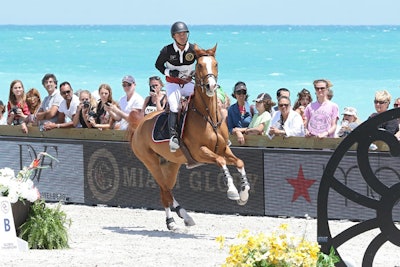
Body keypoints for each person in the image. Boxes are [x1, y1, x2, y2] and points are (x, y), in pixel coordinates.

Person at [155, 21, 196, 152]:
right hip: (173, 84)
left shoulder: (194, 49)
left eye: (185, 33)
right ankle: (174, 137)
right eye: (180, 34)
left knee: (206, 96)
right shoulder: (167, 50)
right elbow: (158, 65)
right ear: (174, 36)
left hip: (188, 83)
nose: (183, 36)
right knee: (174, 105)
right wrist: (169, 72)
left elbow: (202, 62)